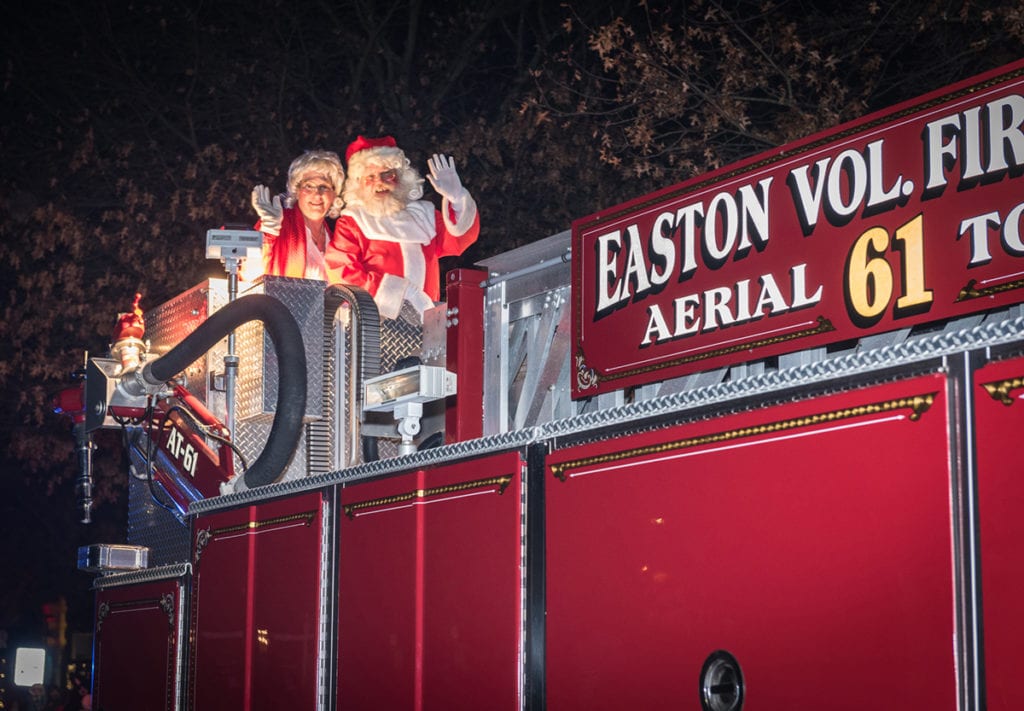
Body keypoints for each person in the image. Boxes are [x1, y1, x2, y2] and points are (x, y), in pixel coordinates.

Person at [325, 135, 480, 319]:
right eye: (370, 177)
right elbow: (341, 271)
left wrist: (457, 199)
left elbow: (458, 241)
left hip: (425, 323)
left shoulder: (423, 215)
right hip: (373, 323)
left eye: (387, 174)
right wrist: (403, 294)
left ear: (400, 177)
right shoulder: (353, 222)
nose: (379, 182)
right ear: (358, 183)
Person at [247, 149, 345, 281]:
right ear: (297, 191)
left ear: (334, 194)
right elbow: (249, 274)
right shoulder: (278, 224)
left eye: (324, 187)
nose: (317, 194)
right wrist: (267, 231)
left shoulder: (337, 240)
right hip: (278, 302)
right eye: (309, 186)